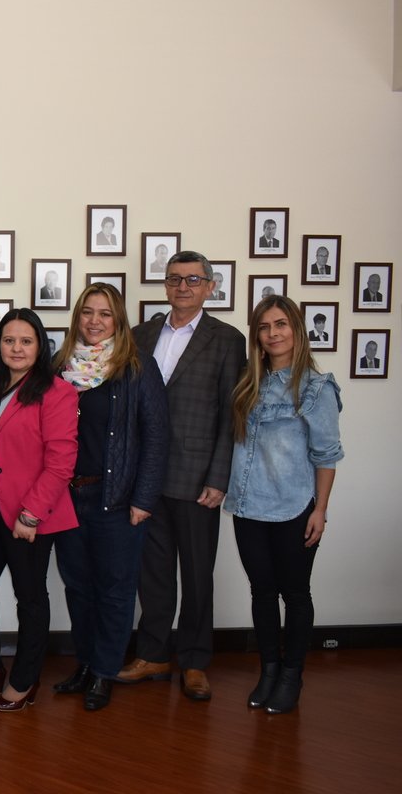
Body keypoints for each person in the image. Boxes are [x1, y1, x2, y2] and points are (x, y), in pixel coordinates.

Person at [120, 251, 245, 701]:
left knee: (196, 574)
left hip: (198, 481)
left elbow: (233, 414)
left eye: (194, 279)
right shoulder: (140, 334)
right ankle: (153, 653)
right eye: (175, 279)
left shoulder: (227, 339)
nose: (183, 286)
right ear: (165, 285)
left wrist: (220, 476)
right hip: (147, 478)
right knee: (151, 573)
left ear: (211, 286)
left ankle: (194, 660)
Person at [50, 285, 168, 711]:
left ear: (119, 321)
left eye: (105, 314)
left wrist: (144, 498)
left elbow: (156, 438)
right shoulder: (60, 367)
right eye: (87, 313)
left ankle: (104, 672)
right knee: (78, 588)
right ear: (77, 318)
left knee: (115, 591)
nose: (95, 321)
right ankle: (84, 664)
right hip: (67, 497)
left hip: (116, 499)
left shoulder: (137, 368)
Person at [226, 295, 343, 714]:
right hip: (246, 505)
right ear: (256, 335)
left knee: (294, 594)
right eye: (264, 327)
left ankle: (292, 675)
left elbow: (326, 455)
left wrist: (320, 509)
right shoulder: (247, 383)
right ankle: (269, 670)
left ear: (296, 330)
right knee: (261, 592)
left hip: (294, 507)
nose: (272, 333)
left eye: (281, 324)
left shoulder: (315, 387)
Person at [0, 309, 78, 713]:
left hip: (27, 514)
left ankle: (25, 679)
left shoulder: (56, 391)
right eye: (9, 340)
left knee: (29, 595)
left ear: (40, 346)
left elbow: (62, 461)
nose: (16, 348)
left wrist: (30, 514)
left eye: (26, 341)